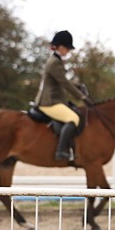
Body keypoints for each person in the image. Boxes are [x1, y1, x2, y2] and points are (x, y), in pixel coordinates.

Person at [35, 30, 90, 162]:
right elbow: (64, 83)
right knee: (73, 119)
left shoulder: (56, 60)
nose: (68, 51)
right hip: (49, 102)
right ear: (59, 47)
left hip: (54, 100)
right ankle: (61, 151)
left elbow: (62, 79)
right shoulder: (55, 62)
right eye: (67, 48)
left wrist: (79, 85)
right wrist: (82, 97)